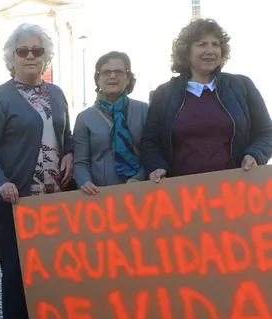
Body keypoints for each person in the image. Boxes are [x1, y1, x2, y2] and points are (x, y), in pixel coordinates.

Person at [0, 23, 73, 319]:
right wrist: (0, 181)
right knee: (16, 272)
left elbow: (66, 134)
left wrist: (71, 153)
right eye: (23, 51)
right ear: (12, 58)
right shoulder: (0, 97)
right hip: (14, 199)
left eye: (37, 51)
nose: (31, 56)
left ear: (46, 55)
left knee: (54, 270)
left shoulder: (57, 93)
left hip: (54, 199)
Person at [142, 18, 272, 181]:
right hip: (182, 194)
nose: (210, 50)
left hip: (236, 189)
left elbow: (266, 132)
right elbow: (150, 141)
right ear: (186, 51)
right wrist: (156, 166)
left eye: (216, 44)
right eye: (202, 44)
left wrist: (255, 155)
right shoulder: (164, 93)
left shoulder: (242, 86)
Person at [74, 51, 148, 194]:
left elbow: (151, 151)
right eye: (106, 72)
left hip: (140, 192)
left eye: (119, 72)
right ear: (98, 79)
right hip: (99, 197)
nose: (112, 76)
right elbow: (81, 162)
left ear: (128, 79)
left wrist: (139, 179)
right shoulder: (84, 118)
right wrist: (85, 183)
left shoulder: (144, 111)